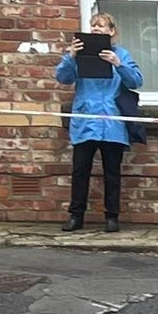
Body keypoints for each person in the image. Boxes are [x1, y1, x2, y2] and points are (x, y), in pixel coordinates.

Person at [54, 12, 143, 232]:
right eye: (93, 25)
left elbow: (136, 81)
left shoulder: (122, 54)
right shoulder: (80, 55)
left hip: (112, 122)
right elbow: (63, 78)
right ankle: (76, 216)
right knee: (80, 170)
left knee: (112, 172)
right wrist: (70, 57)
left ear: (112, 31)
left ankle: (112, 217)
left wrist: (118, 64)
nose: (95, 29)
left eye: (101, 25)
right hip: (85, 120)